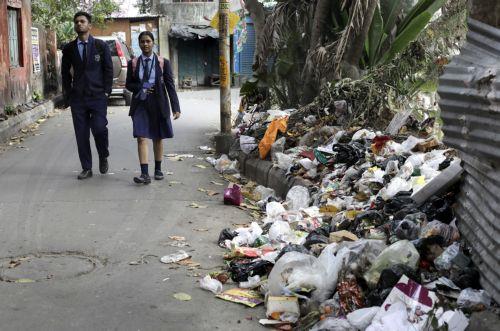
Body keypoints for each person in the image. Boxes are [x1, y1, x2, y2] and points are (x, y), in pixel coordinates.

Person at [61, 11, 113, 180]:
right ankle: (87, 168)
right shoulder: (69, 48)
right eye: (76, 22)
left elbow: (108, 69)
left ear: (89, 25)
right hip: (78, 98)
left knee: (99, 128)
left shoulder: (100, 46)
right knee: (81, 133)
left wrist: (106, 91)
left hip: (98, 96)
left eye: (82, 21)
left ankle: (103, 154)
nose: (79, 24)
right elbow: (65, 74)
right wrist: (68, 95)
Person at [125, 31, 181, 184]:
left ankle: (158, 169)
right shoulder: (134, 63)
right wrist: (141, 87)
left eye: (148, 41)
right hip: (140, 104)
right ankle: (144, 174)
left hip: (158, 102)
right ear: (139, 44)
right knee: (141, 137)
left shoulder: (163, 62)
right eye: (142, 41)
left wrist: (176, 108)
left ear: (153, 43)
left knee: (157, 137)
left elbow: (170, 85)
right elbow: (128, 84)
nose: (145, 44)